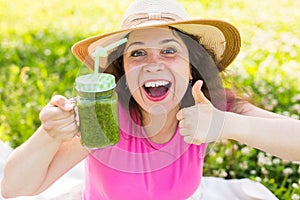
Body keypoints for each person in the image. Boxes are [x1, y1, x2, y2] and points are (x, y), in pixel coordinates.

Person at [1, 0, 300, 199]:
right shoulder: (103, 114)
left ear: (191, 65)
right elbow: (14, 189)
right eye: (138, 53)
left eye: (169, 50)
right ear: (123, 69)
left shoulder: (206, 104)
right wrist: (49, 136)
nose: (153, 63)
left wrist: (226, 124)